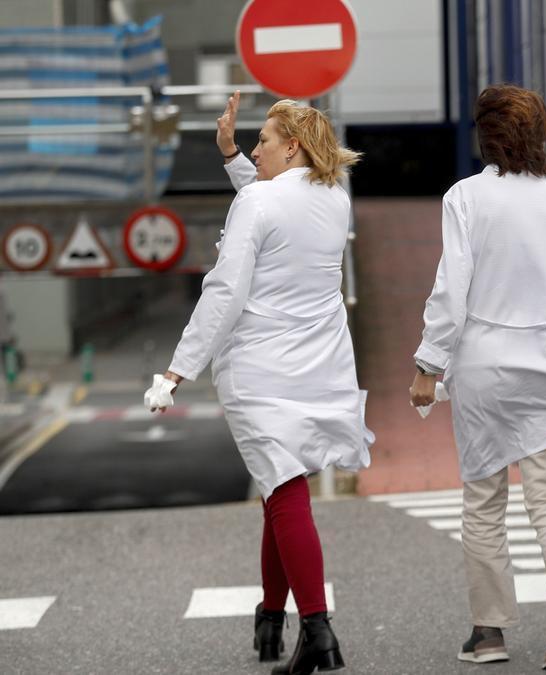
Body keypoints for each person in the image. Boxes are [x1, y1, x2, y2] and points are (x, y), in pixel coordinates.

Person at [149, 92, 372, 674]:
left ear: (291, 145)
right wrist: (230, 157)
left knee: (284, 491)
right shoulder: (334, 198)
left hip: (261, 366)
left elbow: (225, 288)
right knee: (283, 486)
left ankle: (318, 630)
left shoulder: (258, 202)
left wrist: (177, 369)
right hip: (320, 362)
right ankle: (271, 619)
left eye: (263, 140)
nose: (255, 148)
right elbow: (271, 200)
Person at [409, 84, 546, 670]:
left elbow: (452, 287)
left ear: (486, 135)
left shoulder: (465, 197)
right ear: (540, 132)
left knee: (483, 500)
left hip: (484, 365)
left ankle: (488, 633)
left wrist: (427, 363)